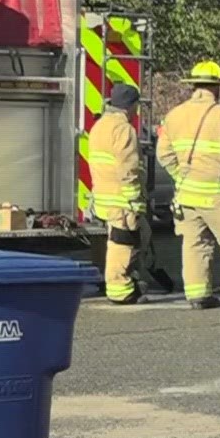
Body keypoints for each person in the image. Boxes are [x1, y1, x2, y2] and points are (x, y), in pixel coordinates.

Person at [157, 61, 220, 310]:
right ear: (217, 87)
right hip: (218, 195)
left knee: (194, 246)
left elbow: (164, 154)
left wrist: (181, 176)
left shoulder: (174, 114)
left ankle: (198, 296)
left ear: (193, 85)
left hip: (187, 196)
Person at [88, 83, 149, 304]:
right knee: (122, 244)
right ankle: (120, 290)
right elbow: (128, 168)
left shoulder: (100, 126)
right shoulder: (123, 129)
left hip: (105, 196)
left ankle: (122, 284)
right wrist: (134, 199)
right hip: (122, 199)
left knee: (117, 241)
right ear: (130, 106)